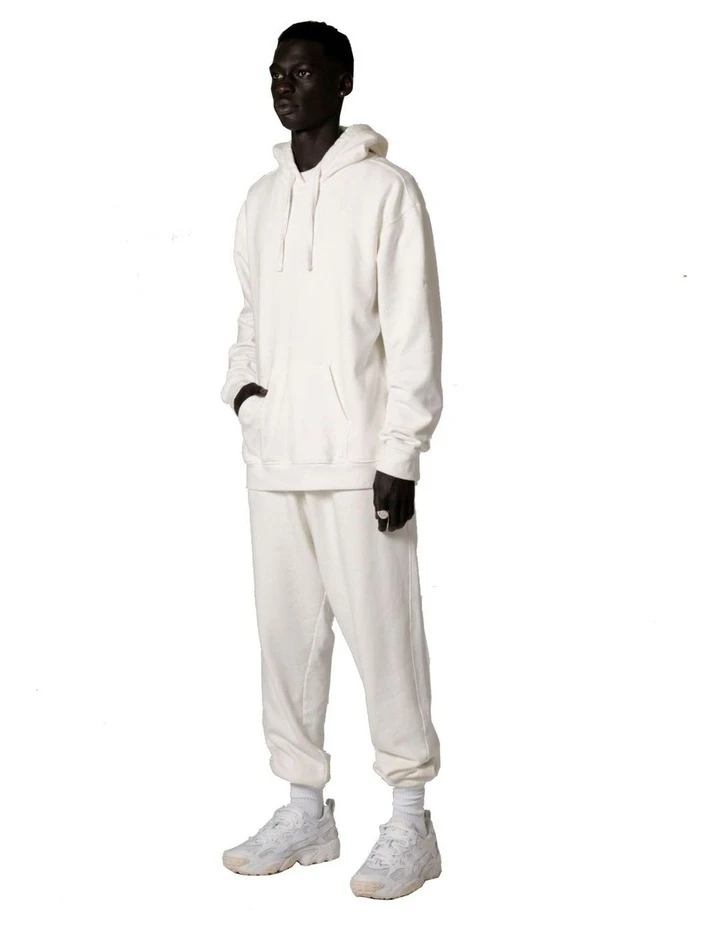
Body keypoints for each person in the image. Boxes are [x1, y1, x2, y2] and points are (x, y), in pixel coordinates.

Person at [219, 20, 444, 901]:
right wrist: (244, 394)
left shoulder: (387, 191)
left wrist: (400, 452)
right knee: (286, 643)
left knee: (385, 639)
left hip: (359, 465)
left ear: (342, 83)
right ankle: (305, 809)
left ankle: (411, 819)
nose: (285, 85)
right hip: (275, 462)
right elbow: (250, 317)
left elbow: (413, 333)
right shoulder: (259, 200)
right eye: (277, 71)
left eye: (303, 71)